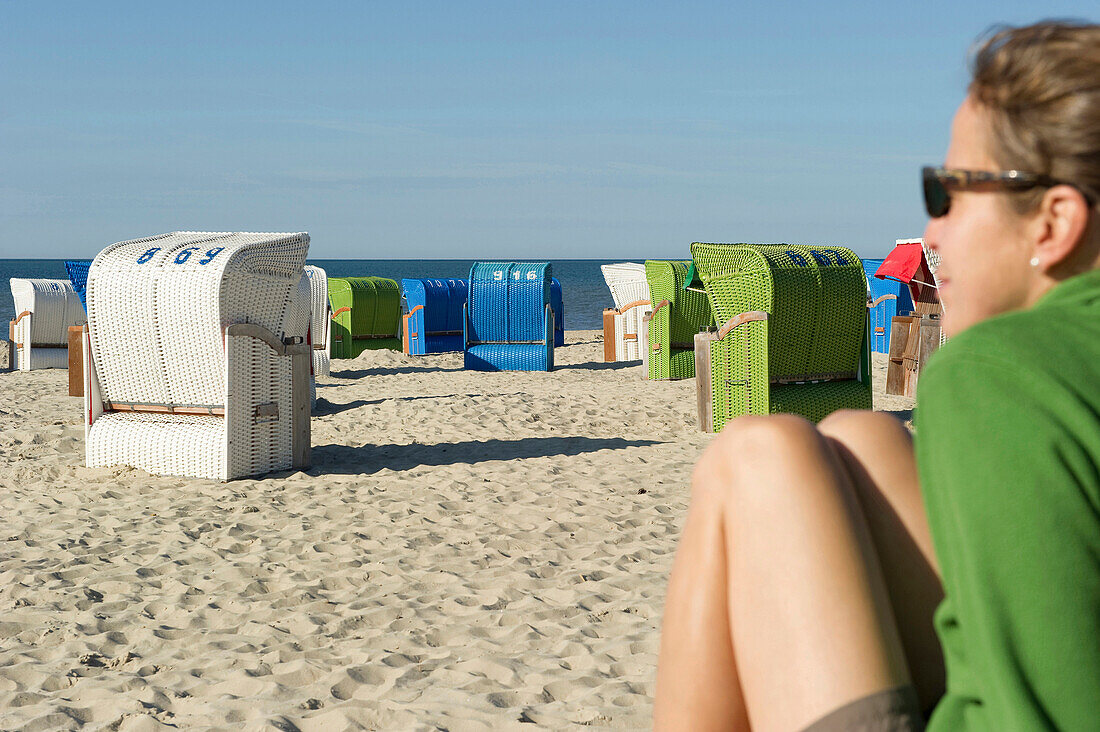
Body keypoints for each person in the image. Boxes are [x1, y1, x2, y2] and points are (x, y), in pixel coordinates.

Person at [653, 20, 1100, 732]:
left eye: (951, 192)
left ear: (1052, 223)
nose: (932, 232)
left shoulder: (999, 372)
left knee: (757, 453)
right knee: (862, 437)